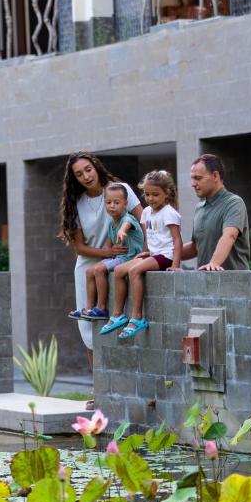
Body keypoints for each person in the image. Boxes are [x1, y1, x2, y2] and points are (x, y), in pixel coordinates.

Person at [58, 152, 142, 369]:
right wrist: (106, 253)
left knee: (119, 320)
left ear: (95, 167)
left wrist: (147, 253)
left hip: (123, 261)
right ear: (74, 179)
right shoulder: (76, 203)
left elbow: (144, 221)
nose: (86, 176)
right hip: (89, 265)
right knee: (89, 328)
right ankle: (97, 388)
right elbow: (79, 247)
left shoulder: (120, 190)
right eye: (79, 174)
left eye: (88, 169)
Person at [103, 170, 182, 339]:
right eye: (147, 194)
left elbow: (177, 240)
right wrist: (145, 252)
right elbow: (149, 236)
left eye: (155, 194)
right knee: (119, 271)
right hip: (153, 255)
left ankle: (137, 317)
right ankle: (118, 314)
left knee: (134, 271)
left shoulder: (169, 213)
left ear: (166, 193)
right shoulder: (146, 212)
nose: (150, 198)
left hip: (166, 256)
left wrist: (175, 264)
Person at [74, 184, 144, 323]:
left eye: (116, 202)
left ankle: (101, 307)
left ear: (125, 203)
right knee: (90, 271)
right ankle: (88, 308)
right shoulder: (112, 222)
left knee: (99, 269)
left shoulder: (127, 219)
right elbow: (108, 243)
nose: (112, 206)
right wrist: (106, 253)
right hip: (119, 257)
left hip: (130, 258)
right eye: (108, 202)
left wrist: (122, 231)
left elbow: (126, 226)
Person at [182, 154, 250, 270]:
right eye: (192, 178)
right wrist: (159, 256)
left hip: (235, 284)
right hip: (207, 283)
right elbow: (195, 247)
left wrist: (214, 263)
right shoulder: (199, 207)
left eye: (198, 178)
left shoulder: (233, 203)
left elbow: (230, 235)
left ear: (215, 176)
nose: (193, 184)